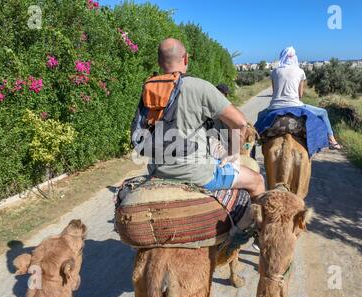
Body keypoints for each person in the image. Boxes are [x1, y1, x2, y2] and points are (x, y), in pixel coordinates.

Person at [133, 38, 266, 202]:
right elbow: (240, 122)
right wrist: (233, 153)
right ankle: (252, 227)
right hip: (197, 173)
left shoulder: (149, 89)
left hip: (157, 170)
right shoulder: (200, 86)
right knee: (257, 181)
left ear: (159, 61)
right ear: (186, 58)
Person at [267, 46, 342, 150]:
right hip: (296, 106)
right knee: (323, 112)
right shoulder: (300, 71)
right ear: (294, 58)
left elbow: (274, 92)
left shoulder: (274, 72)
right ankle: (332, 140)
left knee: (258, 120)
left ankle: (251, 153)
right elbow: (300, 95)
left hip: (275, 107)